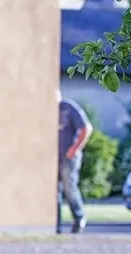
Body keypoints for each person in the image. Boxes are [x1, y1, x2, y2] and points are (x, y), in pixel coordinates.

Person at [57, 88, 94, 233]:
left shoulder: (68, 108)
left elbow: (86, 128)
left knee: (69, 187)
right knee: (54, 192)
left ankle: (79, 217)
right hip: (53, 158)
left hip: (69, 156)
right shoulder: (45, 111)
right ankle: (56, 224)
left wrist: (75, 148)